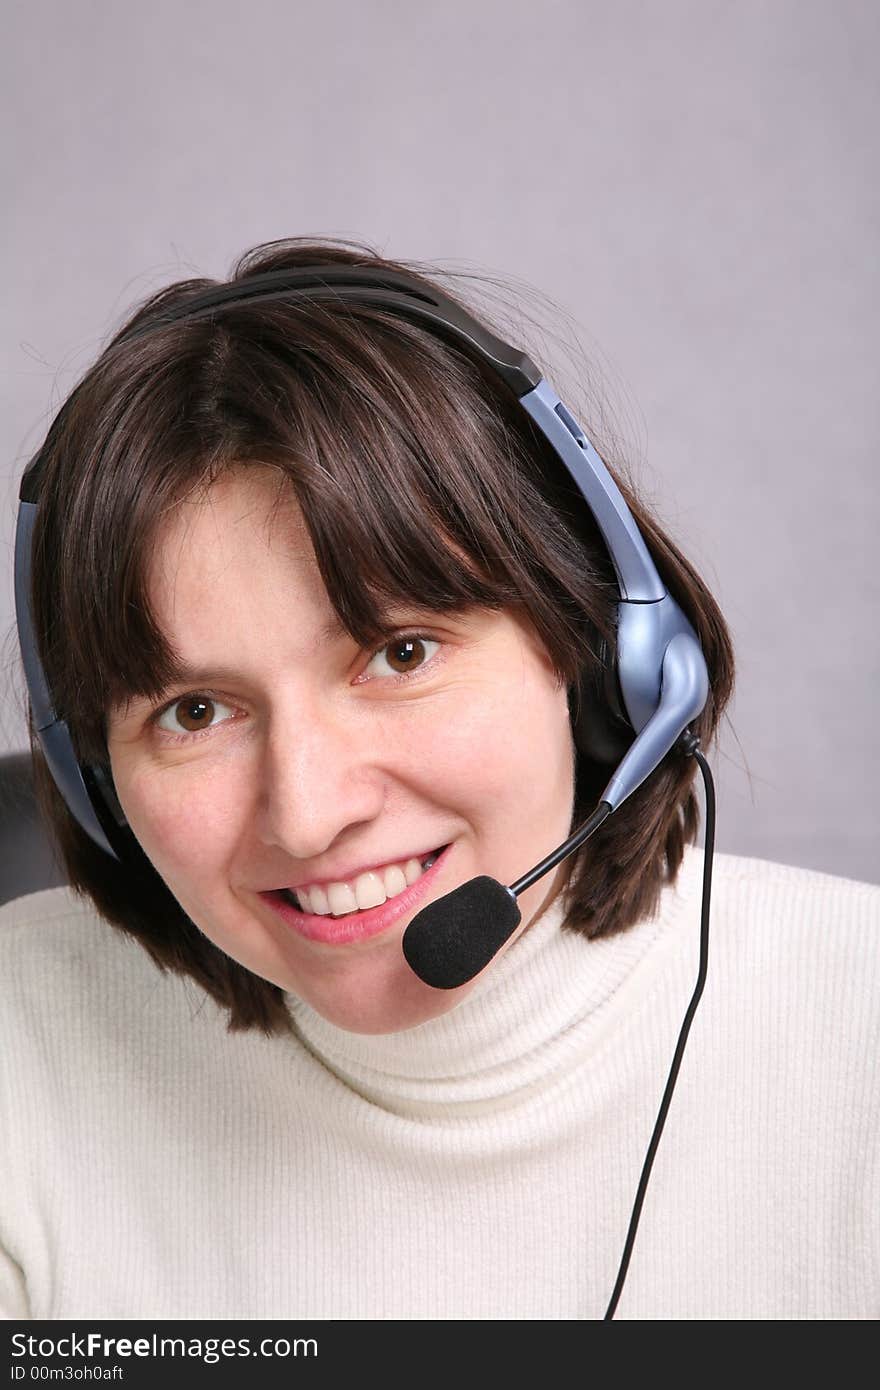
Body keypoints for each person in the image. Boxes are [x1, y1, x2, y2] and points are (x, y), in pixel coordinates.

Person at [1, 238, 877, 1322]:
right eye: (194, 712)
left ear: (601, 649)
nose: (310, 814)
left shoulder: (855, 1029)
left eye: (400, 654)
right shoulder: (20, 1048)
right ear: (94, 775)